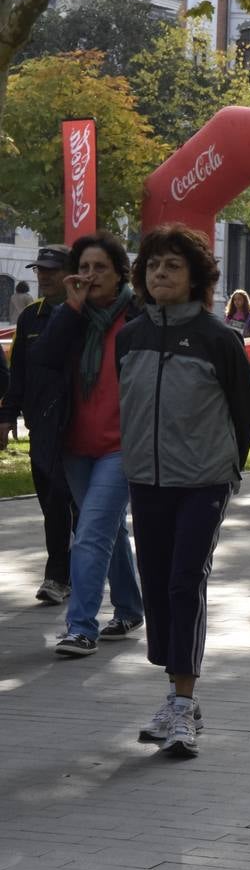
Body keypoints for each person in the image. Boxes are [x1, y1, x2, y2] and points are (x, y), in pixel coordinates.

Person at [117, 224, 250, 758]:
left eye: (172, 266)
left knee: (183, 582)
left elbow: (246, 411)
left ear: (195, 276)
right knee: (155, 585)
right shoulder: (130, 337)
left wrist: (229, 468)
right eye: (153, 266)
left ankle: (181, 703)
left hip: (203, 481)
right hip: (146, 480)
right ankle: (175, 693)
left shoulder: (218, 339)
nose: (160, 274)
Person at [29, 231, 144, 657]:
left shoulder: (137, 316)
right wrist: (72, 309)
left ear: (119, 274)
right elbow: (45, 361)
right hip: (75, 446)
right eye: (83, 268)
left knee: (90, 532)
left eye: (100, 268)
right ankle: (130, 607)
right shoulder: (68, 315)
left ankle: (81, 626)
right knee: (107, 528)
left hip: (122, 445)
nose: (90, 275)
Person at [0, 245, 74, 605]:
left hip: (78, 425)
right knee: (51, 502)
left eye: (51, 270)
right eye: (39, 270)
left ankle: (62, 575)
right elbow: (19, 373)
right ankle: (63, 573)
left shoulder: (87, 315)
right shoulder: (31, 317)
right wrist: (7, 414)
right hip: (40, 426)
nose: (43, 276)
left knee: (71, 502)